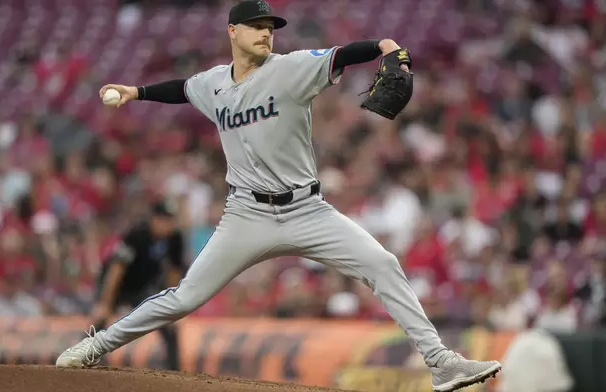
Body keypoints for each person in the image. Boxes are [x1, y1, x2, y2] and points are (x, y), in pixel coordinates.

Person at [55, 1, 501, 390]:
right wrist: (134, 92)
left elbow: (346, 53)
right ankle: (97, 344)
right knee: (186, 297)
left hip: (308, 209)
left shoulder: (292, 68)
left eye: (271, 26)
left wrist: (384, 44)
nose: (267, 32)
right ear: (233, 32)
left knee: (382, 264)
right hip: (246, 214)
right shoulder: (213, 83)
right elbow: (182, 90)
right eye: (257, 26)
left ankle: (441, 364)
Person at [90, 200, 185, 370]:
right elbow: (116, 270)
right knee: (100, 319)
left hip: (142, 287)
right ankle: (86, 358)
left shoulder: (175, 239)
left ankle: (174, 371)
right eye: (162, 219)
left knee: (168, 324)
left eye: (170, 220)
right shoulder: (136, 236)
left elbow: (174, 273)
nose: (166, 224)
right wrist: (105, 303)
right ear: (153, 219)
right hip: (118, 286)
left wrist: (174, 306)